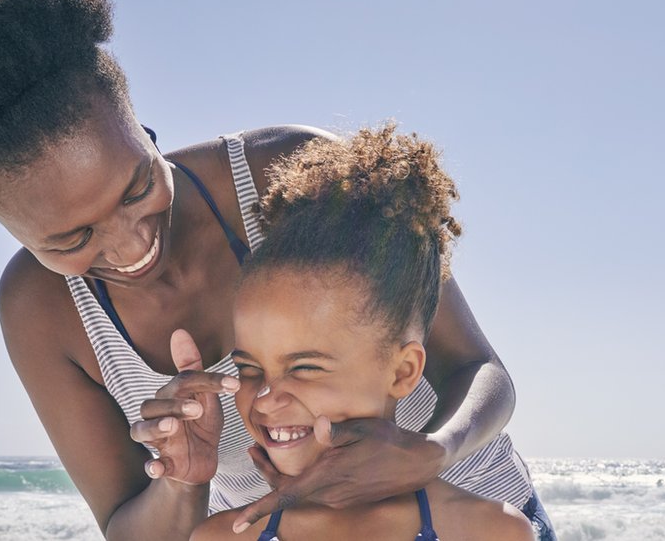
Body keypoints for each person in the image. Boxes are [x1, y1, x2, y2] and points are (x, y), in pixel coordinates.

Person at [0, 0, 554, 540]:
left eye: (137, 187)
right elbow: (132, 526)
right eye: (72, 238)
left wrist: (427, 453)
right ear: (6, 227)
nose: (131, 246)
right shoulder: (40, 311)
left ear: (142, 130)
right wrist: (184, 480)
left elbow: (481, 367)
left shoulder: (287, 170)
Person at [191, 125, 535, 541]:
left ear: (404, 371)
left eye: (303, 367)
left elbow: (481, 367)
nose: (264, 399)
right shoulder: (221, 537)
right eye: (248, 369)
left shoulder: (491, 531)